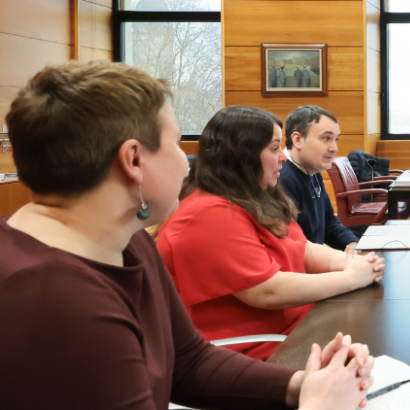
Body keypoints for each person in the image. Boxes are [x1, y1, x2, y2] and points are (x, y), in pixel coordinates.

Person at [0, 60, 374, 409]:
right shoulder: (54, 300)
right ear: (133, 160)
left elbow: (188, 360)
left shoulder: (124, 239)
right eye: (177, 143)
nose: (187, 162)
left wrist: (299, 385)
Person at [157, 105, 385, 361]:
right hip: (253, 351)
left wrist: (354, 262)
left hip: (296, 327)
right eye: (275, 148)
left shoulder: (255, 196)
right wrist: (352, 277)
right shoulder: (207, 213)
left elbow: (304, 248)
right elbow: (266, 291)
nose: (283, 157)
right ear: (244, 154)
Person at [279, 105, 358, 250]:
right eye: (326, 138)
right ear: (297, 139)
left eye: (336, 140)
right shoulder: (280, 178)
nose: (334, 148)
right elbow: (292, 247)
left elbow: (328, 222)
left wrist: (353, 246)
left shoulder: (311, 170)